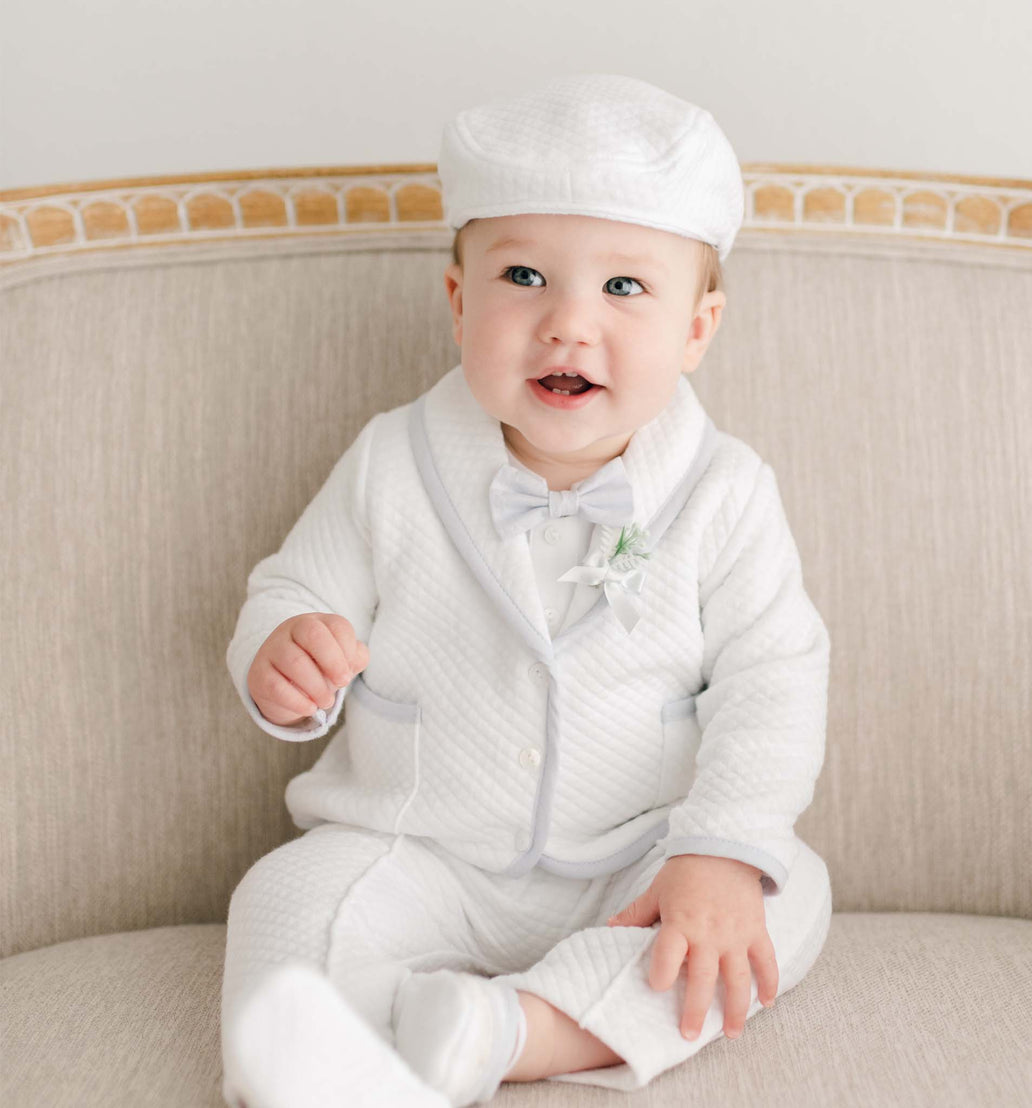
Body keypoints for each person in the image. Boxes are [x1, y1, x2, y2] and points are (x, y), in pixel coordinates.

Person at [220, 72, 833, 1108]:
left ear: (697, 327)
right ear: (460, 303)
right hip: (419, 845)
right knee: (288, 892)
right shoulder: (390, 463)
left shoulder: (726, 493)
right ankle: (322, 1070)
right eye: (523, 276)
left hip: (636, 863)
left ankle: (518, 1032)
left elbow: (774, 679)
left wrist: (720, 852)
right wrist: (284, 648)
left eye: (624, 289)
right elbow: (295, 585)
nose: (567, 325)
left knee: (787, 895)